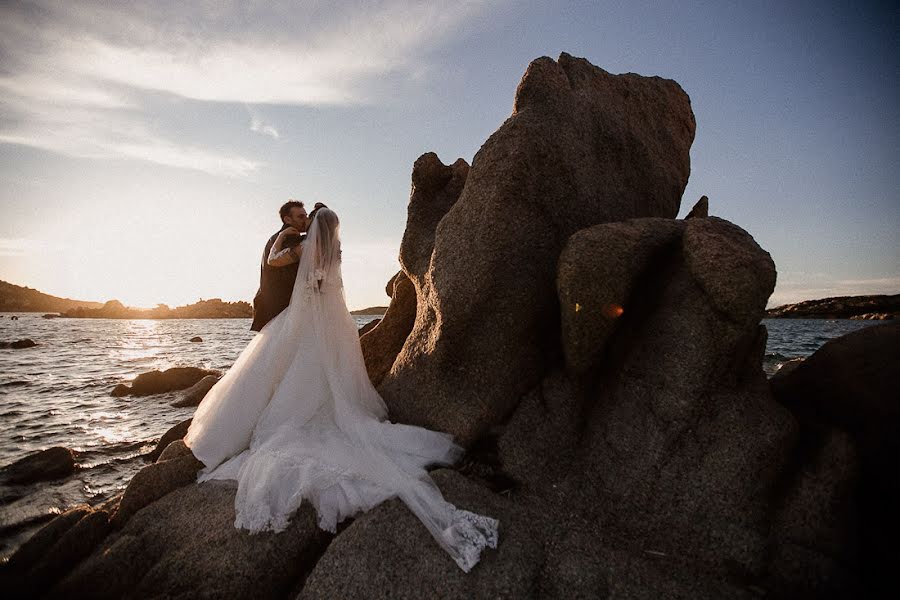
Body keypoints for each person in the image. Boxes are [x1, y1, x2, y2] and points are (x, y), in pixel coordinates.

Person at [184, 207, 498, 572]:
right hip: (334, 325)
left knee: (287, 376)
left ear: (314, 226)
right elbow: (323, 284)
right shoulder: (333, 251)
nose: (304, 221)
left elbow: (292, 275)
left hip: (306, 321)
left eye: (309, 218)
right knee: (325, 378)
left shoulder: (300, 248)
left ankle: (259, 421)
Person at [249, 200, 309, 332]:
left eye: (306, 215)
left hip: (270, 306)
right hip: (280, 308)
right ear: (287, 219)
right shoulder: (289, 239)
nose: (306, 219)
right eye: (300, 216)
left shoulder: (276, 237)